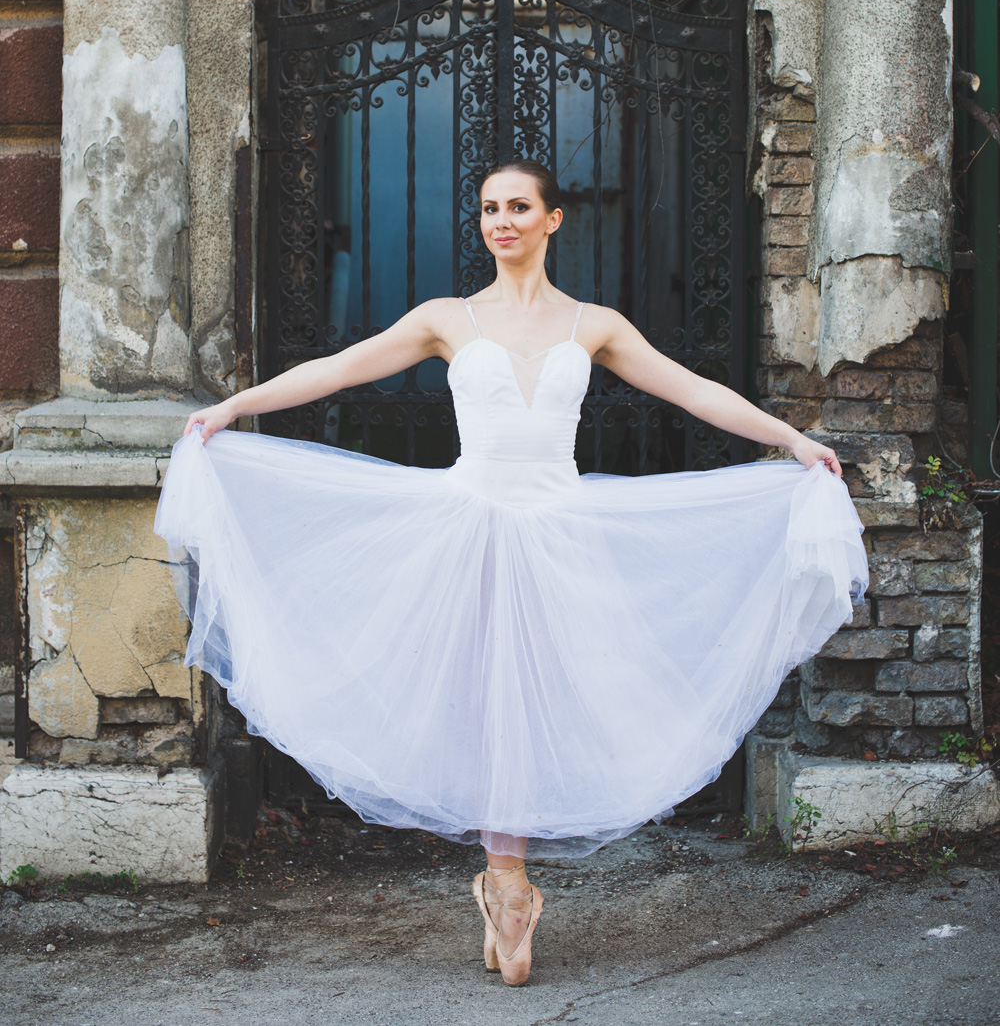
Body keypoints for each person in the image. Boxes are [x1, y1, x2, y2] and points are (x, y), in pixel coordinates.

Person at [156, 159, 867, 987]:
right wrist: (235, 407)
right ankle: (507, 882)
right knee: (483, 696)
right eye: (490, 208)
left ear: (552, 220)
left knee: (543, 696)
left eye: (519, 207)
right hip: (469, 527)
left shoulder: (592, 325)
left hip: (559, 530)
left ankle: (511, 882)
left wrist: (793, 441)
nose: (502, 221)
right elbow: (340, 368)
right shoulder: (446, 320)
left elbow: (693, 391)